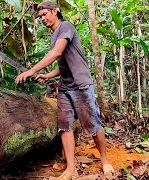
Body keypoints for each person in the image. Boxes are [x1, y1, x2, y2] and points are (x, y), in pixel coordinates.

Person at [15, 1, 114, 179]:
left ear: (55, 11)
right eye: (40, 17)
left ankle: (105, 161)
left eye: (45, 14)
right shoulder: (54, 35)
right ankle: (71, 169)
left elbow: (56, 53)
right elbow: (63, 64)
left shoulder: (66, 26)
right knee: (65, 126)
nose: (43, 18)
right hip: (65, 86)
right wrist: (48, 76)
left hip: (81, 85)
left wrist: (32, 70)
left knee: (92, 124)